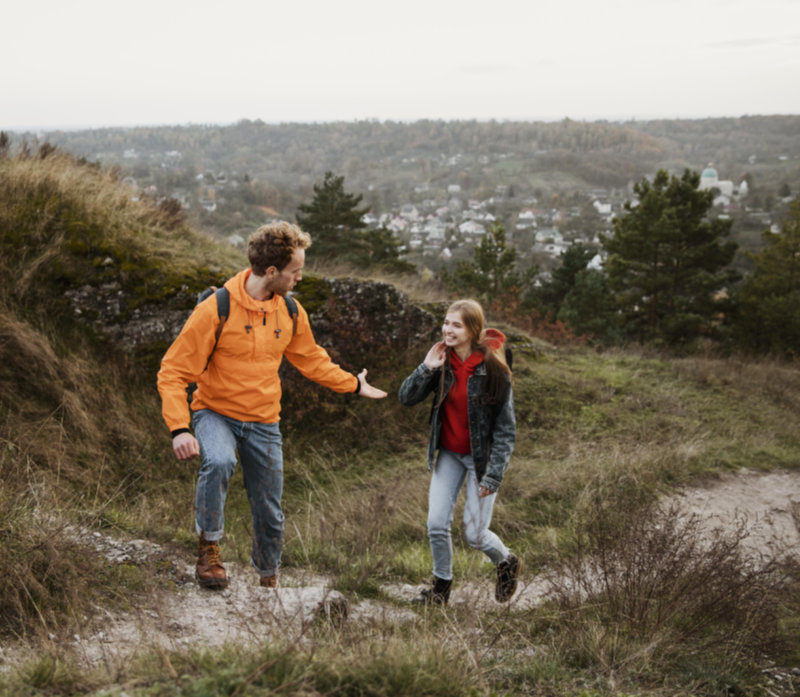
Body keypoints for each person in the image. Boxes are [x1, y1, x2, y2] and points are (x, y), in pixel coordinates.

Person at [157, 221, 387, 590]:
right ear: (271, 271)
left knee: (269, 508)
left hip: (264, 421)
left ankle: (268, 578)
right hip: (215, 412)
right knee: (219, 461)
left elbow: (312, 359)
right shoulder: (216, 309)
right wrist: (179, 428)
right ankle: (209, 548)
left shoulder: (291, 311)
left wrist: (354, 384)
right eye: (295, 270)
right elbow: (173, 371)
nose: (300, 277)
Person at [398, 299, 521, 605]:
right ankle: (440, 590)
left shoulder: (494, 370)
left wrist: (493, 475)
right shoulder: (442, 363)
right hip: (449, 455)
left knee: (474, 535)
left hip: (482, 460)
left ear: (473, 330)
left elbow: (506, 430)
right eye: (446, 323)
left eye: (456, 325)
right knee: (436, 524)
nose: (447, 330)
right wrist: (426, 367)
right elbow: (406, 398)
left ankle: (506, 561)